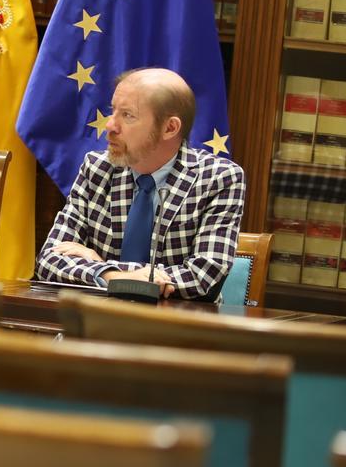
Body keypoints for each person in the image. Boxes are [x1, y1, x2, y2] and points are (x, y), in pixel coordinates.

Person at [35, 67, 246, 300]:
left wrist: (104, 267)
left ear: (169, 128)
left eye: (127, 115)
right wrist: (113, 276)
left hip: (175, 330)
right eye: (113, 111)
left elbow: (203, 276)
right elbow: (49, 259)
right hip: (94, 325)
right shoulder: (97, 168)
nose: (110, 126)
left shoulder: (218, 179)